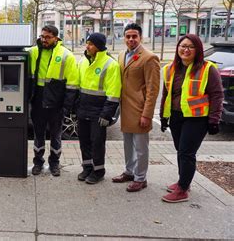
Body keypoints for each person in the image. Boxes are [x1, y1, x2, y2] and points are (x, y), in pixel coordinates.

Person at [160, 34, 223, 203]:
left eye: (190, 47)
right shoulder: (170, 68)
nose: (186, 50)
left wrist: (214, 120)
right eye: (183, 46)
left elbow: (217, 95)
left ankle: (182, 190)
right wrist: (163, 116)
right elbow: (166, 94)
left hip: (196, 118)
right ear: (177, 48)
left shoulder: (207, 68)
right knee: (180, 150)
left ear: (197, 50)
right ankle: (183, 182)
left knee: (187, 153)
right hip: (176, 115)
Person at [112, 23, 160, 192]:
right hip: (125, 109)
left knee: (140, 147)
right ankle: (129, 171)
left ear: (141, 37)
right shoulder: (121, 55)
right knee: (127, 145)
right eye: (128, 36)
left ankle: (141, 178)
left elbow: (153, 89)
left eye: (134, 36)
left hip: (140, 109)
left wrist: (147, 114)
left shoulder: (149, 57)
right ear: (124, 38)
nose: (131, 39)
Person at [29, 25, 79, 177]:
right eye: (42, 36)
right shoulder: (32, 51)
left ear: (56, 38)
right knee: (38, 134)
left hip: (56, 101)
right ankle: (38, 162)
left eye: (48, 37)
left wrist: (67, 106)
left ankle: (54, 163)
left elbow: (72, 83)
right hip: (37, 98)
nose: (44, 40)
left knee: (56, 135)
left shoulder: (66, 55)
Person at [77, 33, 121, 184]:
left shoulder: (110, 64)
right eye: (87, 43)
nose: (87, 46)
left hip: (99, 111)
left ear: (99, 46)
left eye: (90, 44)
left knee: (97, 142)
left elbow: (114, 93)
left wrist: (107, 114)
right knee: (84, 141)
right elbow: (78, 86)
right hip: (83, 108)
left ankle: (98, 171)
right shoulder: (83, 61)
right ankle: (87, 167)